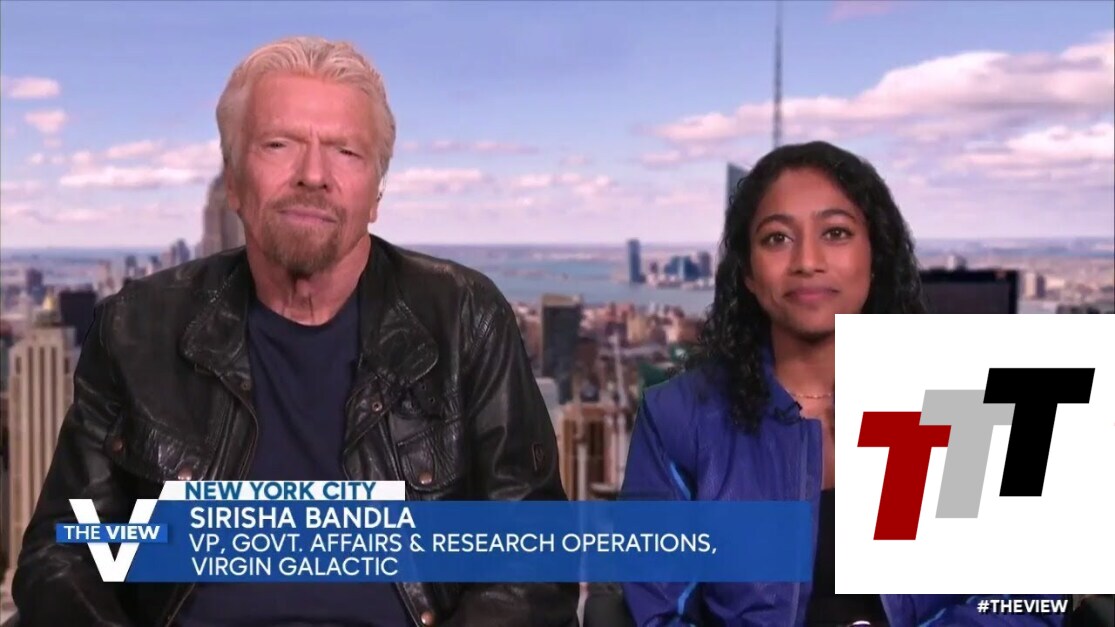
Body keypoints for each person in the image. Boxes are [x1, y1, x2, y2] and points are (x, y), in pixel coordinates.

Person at [13, 36, 578, 627]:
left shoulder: (466, 318)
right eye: (279, 144)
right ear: (234, 182)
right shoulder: (135, 327)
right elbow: (62, 556)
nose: (313, 174)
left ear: (376, 194)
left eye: (346, 152)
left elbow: (534, 562)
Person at [619, 141, 1068, 626]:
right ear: (747, 272)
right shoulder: (678, 418)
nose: (807, 261)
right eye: (776, 238)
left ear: (875, 256)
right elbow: (660, 613)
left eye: (836, 233)